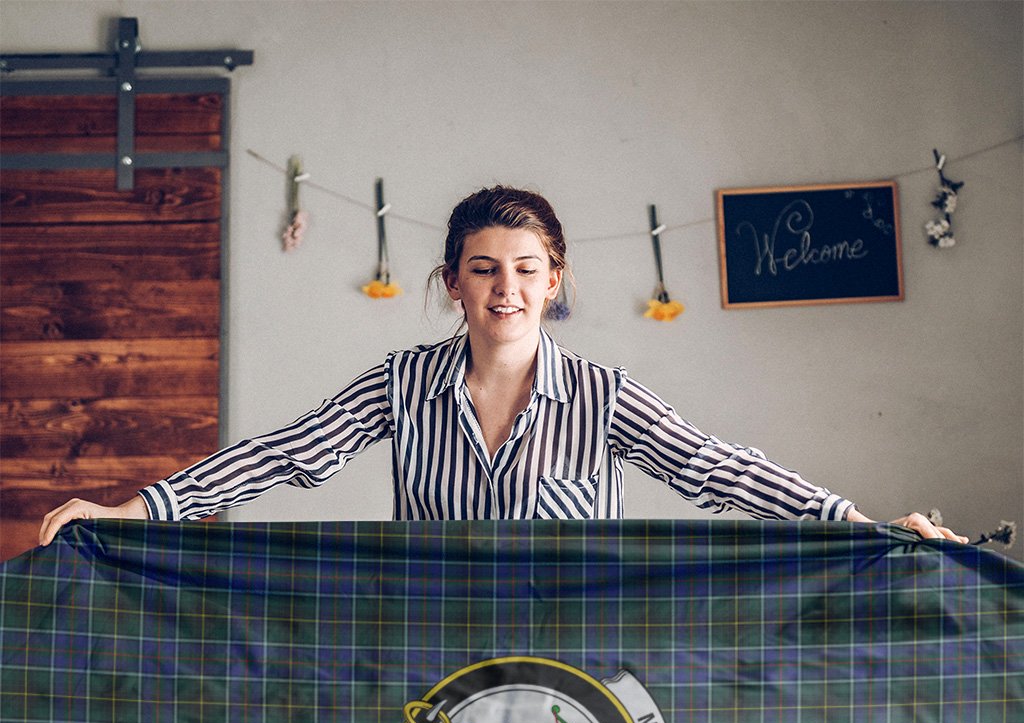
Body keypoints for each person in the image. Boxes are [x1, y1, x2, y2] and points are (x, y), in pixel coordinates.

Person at [38, 186, 967, 546]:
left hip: (578, 664)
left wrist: (859, 523)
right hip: (431, 658)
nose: (506, 289)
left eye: (527, 271)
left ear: (555, 281)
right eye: (484, 270)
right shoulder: (402, 382)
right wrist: (134, 510)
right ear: (453, 283)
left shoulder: (603, 397)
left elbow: (718, 468)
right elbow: (285, 454)